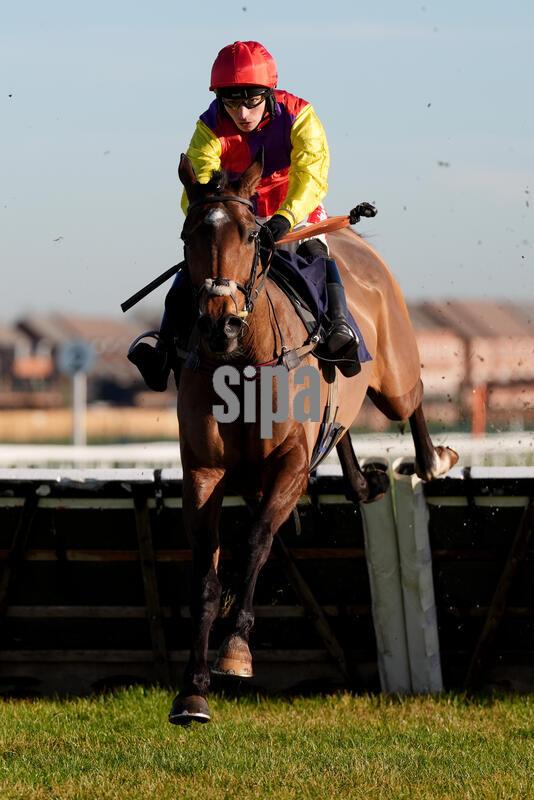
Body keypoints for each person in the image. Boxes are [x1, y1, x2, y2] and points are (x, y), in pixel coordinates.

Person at [128, 40, 360, 390]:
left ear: (268, 92)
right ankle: (162, 350)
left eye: (251, 101)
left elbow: (312, 175)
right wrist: (209, 223)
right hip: (239, 217)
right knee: (197, 271)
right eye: (231, 102)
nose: (242, 113)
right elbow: (199, 186)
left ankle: (339, 328)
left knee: (316, 255)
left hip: (295, 208)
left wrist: (284, 218)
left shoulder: (300, 115)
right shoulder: (208, 126)